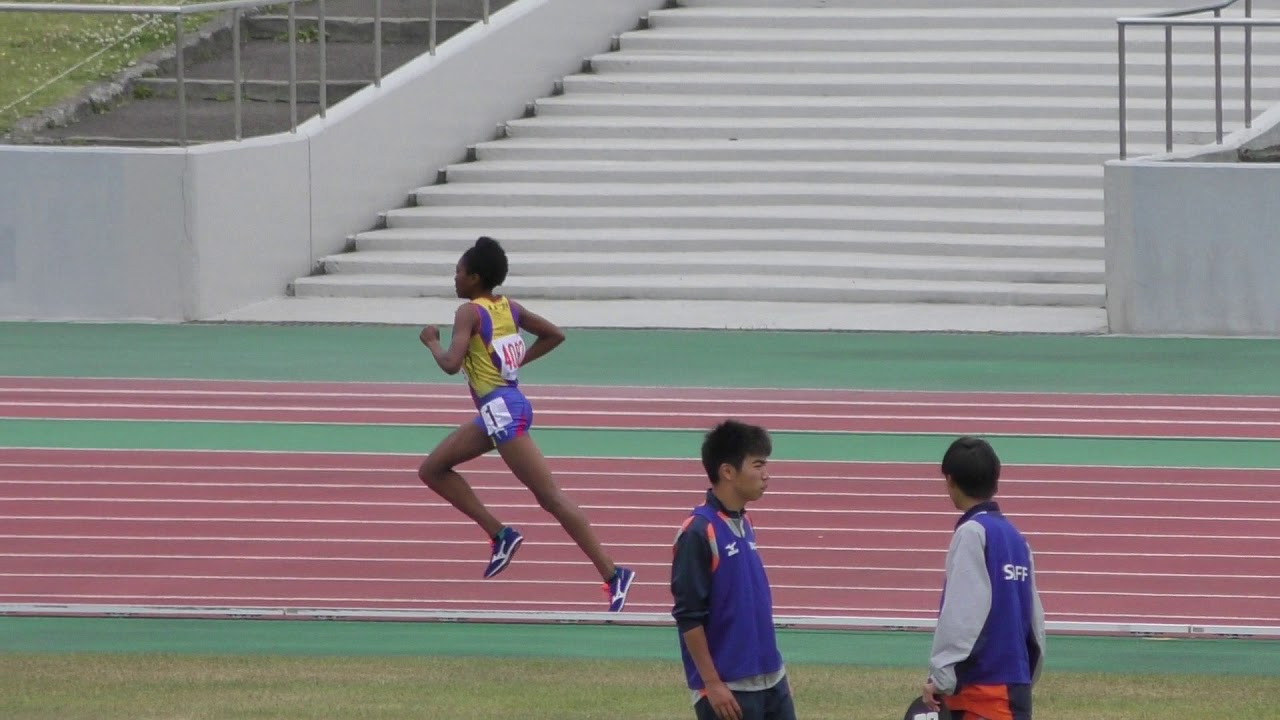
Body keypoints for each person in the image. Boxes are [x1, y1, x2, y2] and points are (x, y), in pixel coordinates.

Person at [417, 236, 635, 611]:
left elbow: (451, 365)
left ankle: (613, 573)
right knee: (432, 469)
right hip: (501, 409)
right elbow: (555, 335)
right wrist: (514, 367)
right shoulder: (508, 307)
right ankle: (500, 534)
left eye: (459, 271)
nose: (454, 278)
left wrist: (432, 342)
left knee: (550, 497)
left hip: (503, 412)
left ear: (475, 277)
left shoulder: (468, 313)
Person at [671, 420, 796, 720]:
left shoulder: (745, 523)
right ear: (728, 471)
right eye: (758, 465)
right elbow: (688, 617)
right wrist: (712, 684)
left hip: (771, 681)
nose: (766, 475)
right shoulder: (698, 532)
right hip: (728, 691)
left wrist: (776, 672)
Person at [922, 437, 1046, 720]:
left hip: (982, 692)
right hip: (1015, 686)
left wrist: (941, 676)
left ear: (950, 481)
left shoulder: (972, 534)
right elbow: (1034, 618)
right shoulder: (1017, 539)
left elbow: (963, 613)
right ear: (996, 480)